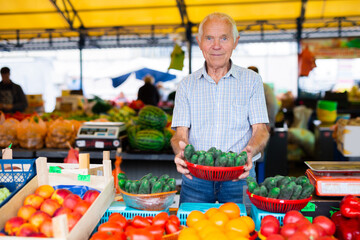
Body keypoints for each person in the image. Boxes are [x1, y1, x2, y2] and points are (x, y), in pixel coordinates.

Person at [171, 12, 270, 203]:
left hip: (239, 176)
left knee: (240, 231)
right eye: (209, 38)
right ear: (199, 42)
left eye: (224, 38)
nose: (216, 46)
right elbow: (180, 135)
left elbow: (261, 130)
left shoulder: (252, 81)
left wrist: (248, 152)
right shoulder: (186, 85)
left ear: (235, 42)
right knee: (191, 230)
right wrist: (180, 151)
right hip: (195, 178)